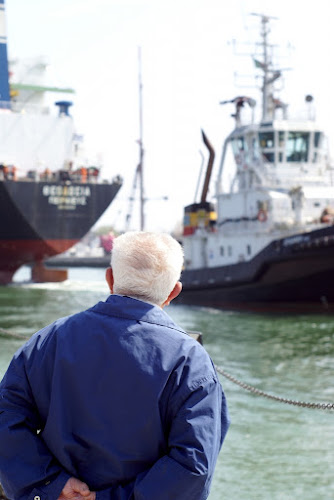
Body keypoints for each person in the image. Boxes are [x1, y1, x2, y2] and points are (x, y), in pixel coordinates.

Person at [0, 231, 229, 500]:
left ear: (109, 278)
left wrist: (50, 484)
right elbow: (194, 464)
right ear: (173, 292)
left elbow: (6, 415)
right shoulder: (190, 361)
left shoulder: (48, 340)